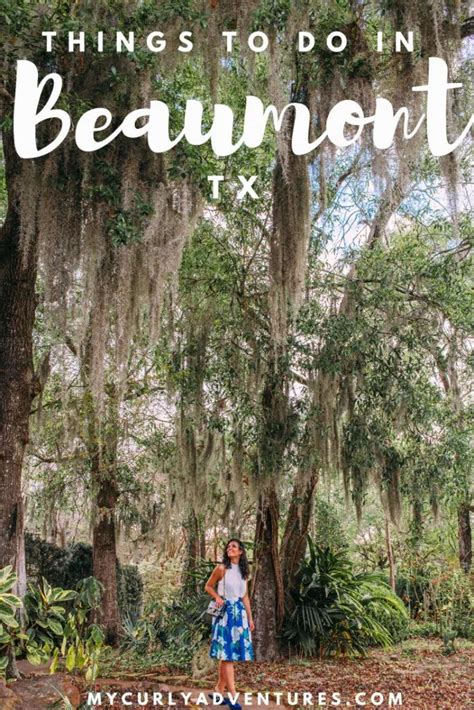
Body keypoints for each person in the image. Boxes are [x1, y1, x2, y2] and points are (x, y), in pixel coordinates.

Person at [204, 539, 255, 708]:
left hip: (239, 615)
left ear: (241, 551)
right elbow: (208, 586)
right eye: (228, 547)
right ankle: (233, 695)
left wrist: (250, 618)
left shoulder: (244, 572)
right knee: (228, 656)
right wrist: (218, 597)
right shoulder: (221, 569)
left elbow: (245, 597)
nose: (229, 548)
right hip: (225, 614)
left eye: (233, 546)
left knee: (229, 655)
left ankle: (219, 689)